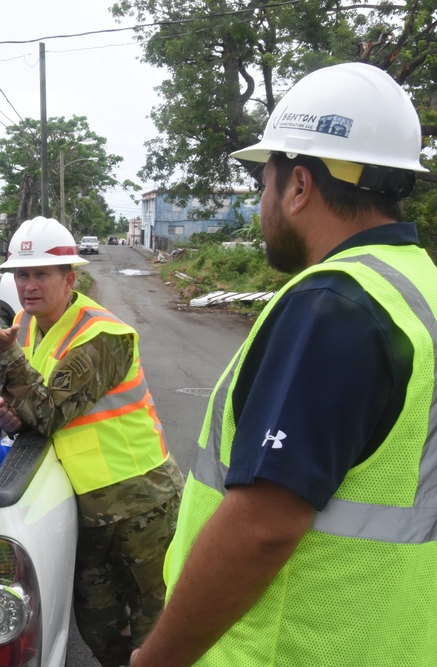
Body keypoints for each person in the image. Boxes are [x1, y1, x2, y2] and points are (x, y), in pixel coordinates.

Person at [131, 63, 437, 666]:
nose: (262, 203)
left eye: (263, 182)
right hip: (389, 636)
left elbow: (263, 527)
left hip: (292, 643)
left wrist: (156, 660)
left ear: (298, 185)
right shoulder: (419, 287)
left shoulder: (337, 305)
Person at [0, 216, 183, 667]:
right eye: (21, 274)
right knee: (100, 628)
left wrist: (7, 356)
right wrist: (11, 414)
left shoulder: (101, 335)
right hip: (87, 509)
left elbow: (51, 412)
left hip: (140, 505)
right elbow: (37, 404)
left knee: (159, 630)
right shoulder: (31, 327)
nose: (28, 285)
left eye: (40, 274)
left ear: (69, 278)